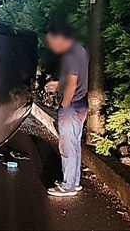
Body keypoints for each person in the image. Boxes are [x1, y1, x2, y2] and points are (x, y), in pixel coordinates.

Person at [44, 23, 89, 197]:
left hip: (72, 105)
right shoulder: (80, 50)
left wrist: (64, 106)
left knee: (67, 146)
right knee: (74, 144)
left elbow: (72, 83)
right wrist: (58, 85)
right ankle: (74, 181)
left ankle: (68, 185)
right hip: (81, 103)